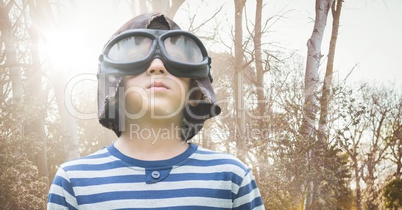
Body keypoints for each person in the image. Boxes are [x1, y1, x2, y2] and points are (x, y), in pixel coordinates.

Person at [47, 13, 265, 210]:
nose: (157, 65)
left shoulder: (231, 179)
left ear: (196, 87)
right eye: (136, 56)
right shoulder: (74, 183)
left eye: (177, 56)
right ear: (114, 83)